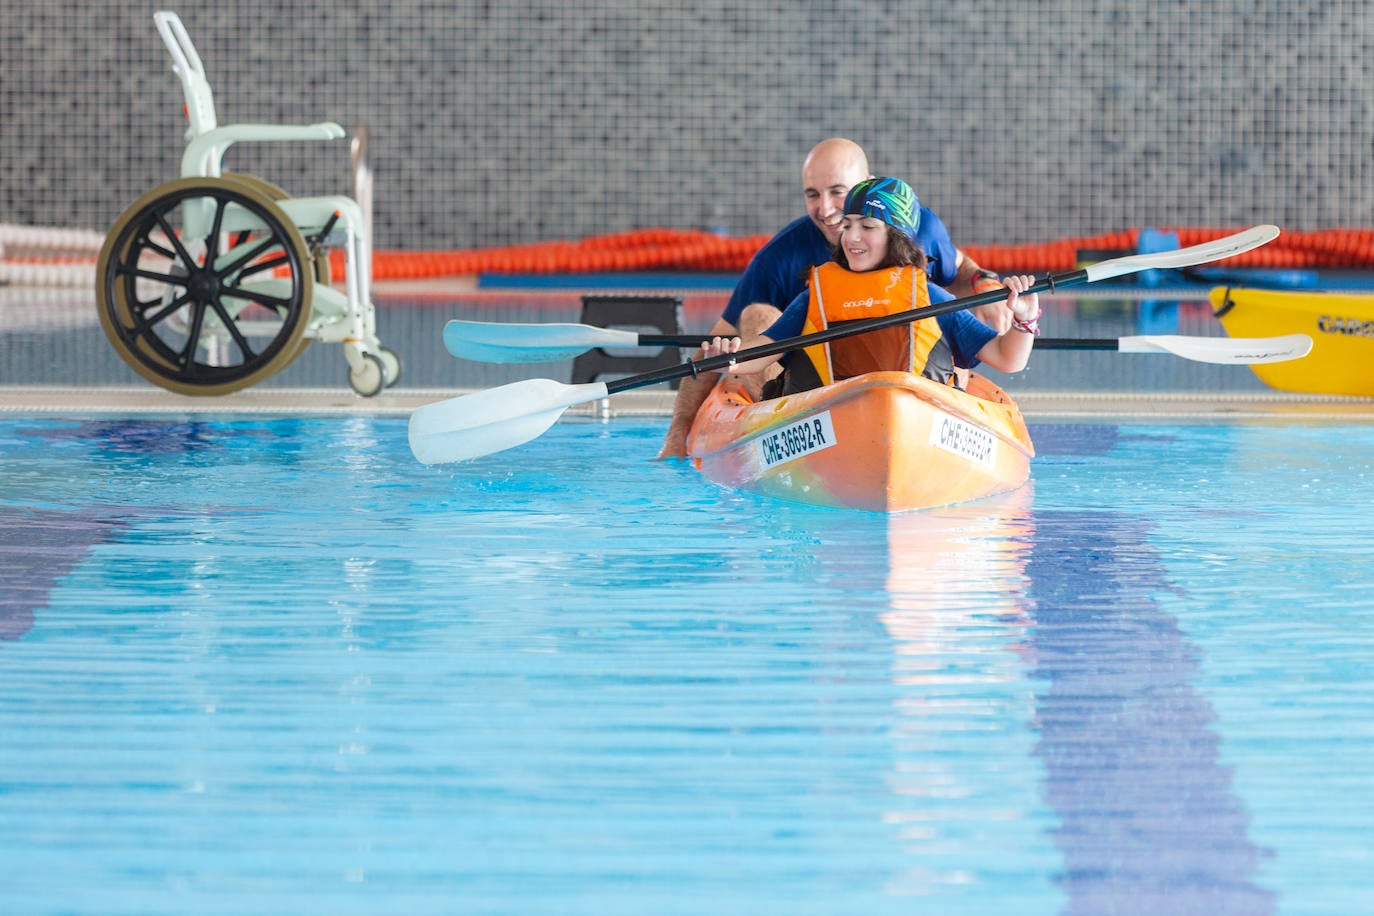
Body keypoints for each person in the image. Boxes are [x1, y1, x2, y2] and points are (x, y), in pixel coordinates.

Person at [657, 138, 1004, 457]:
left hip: (910, 391)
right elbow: (719, 340)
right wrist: (677, 436)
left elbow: (960, 270)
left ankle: (944, 406)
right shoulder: (780, 256)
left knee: (952, 309)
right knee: (756, 315)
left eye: (838, 191)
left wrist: (987, 285)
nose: (825, 209)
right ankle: (780, 431)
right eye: (812, 194)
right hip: (816, 398)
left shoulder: (917, 226)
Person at [699, 177, 1038, 393]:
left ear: (896, 236)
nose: (852, 237)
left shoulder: (932, 298)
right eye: (847, 225)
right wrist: (727, 358)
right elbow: (760, 355)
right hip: (829, 424)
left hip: (911, 424)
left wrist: (1025, 317)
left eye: (868, 226)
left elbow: (1007, 358)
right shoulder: (814, 299)